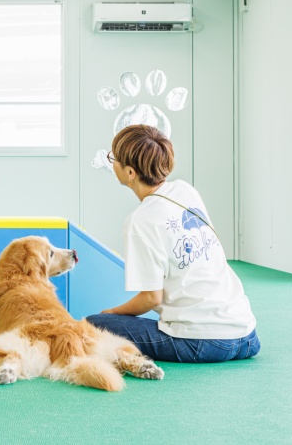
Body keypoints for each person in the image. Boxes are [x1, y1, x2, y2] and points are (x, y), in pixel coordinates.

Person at [86, 124, 260, 363]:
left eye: (114, 158)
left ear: (130, 173)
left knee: (95, 323)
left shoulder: (139, 221)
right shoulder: (185, 190)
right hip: (247, 335)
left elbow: (151, 298)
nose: (112, 163)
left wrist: (113, 312)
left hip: (203, 342)